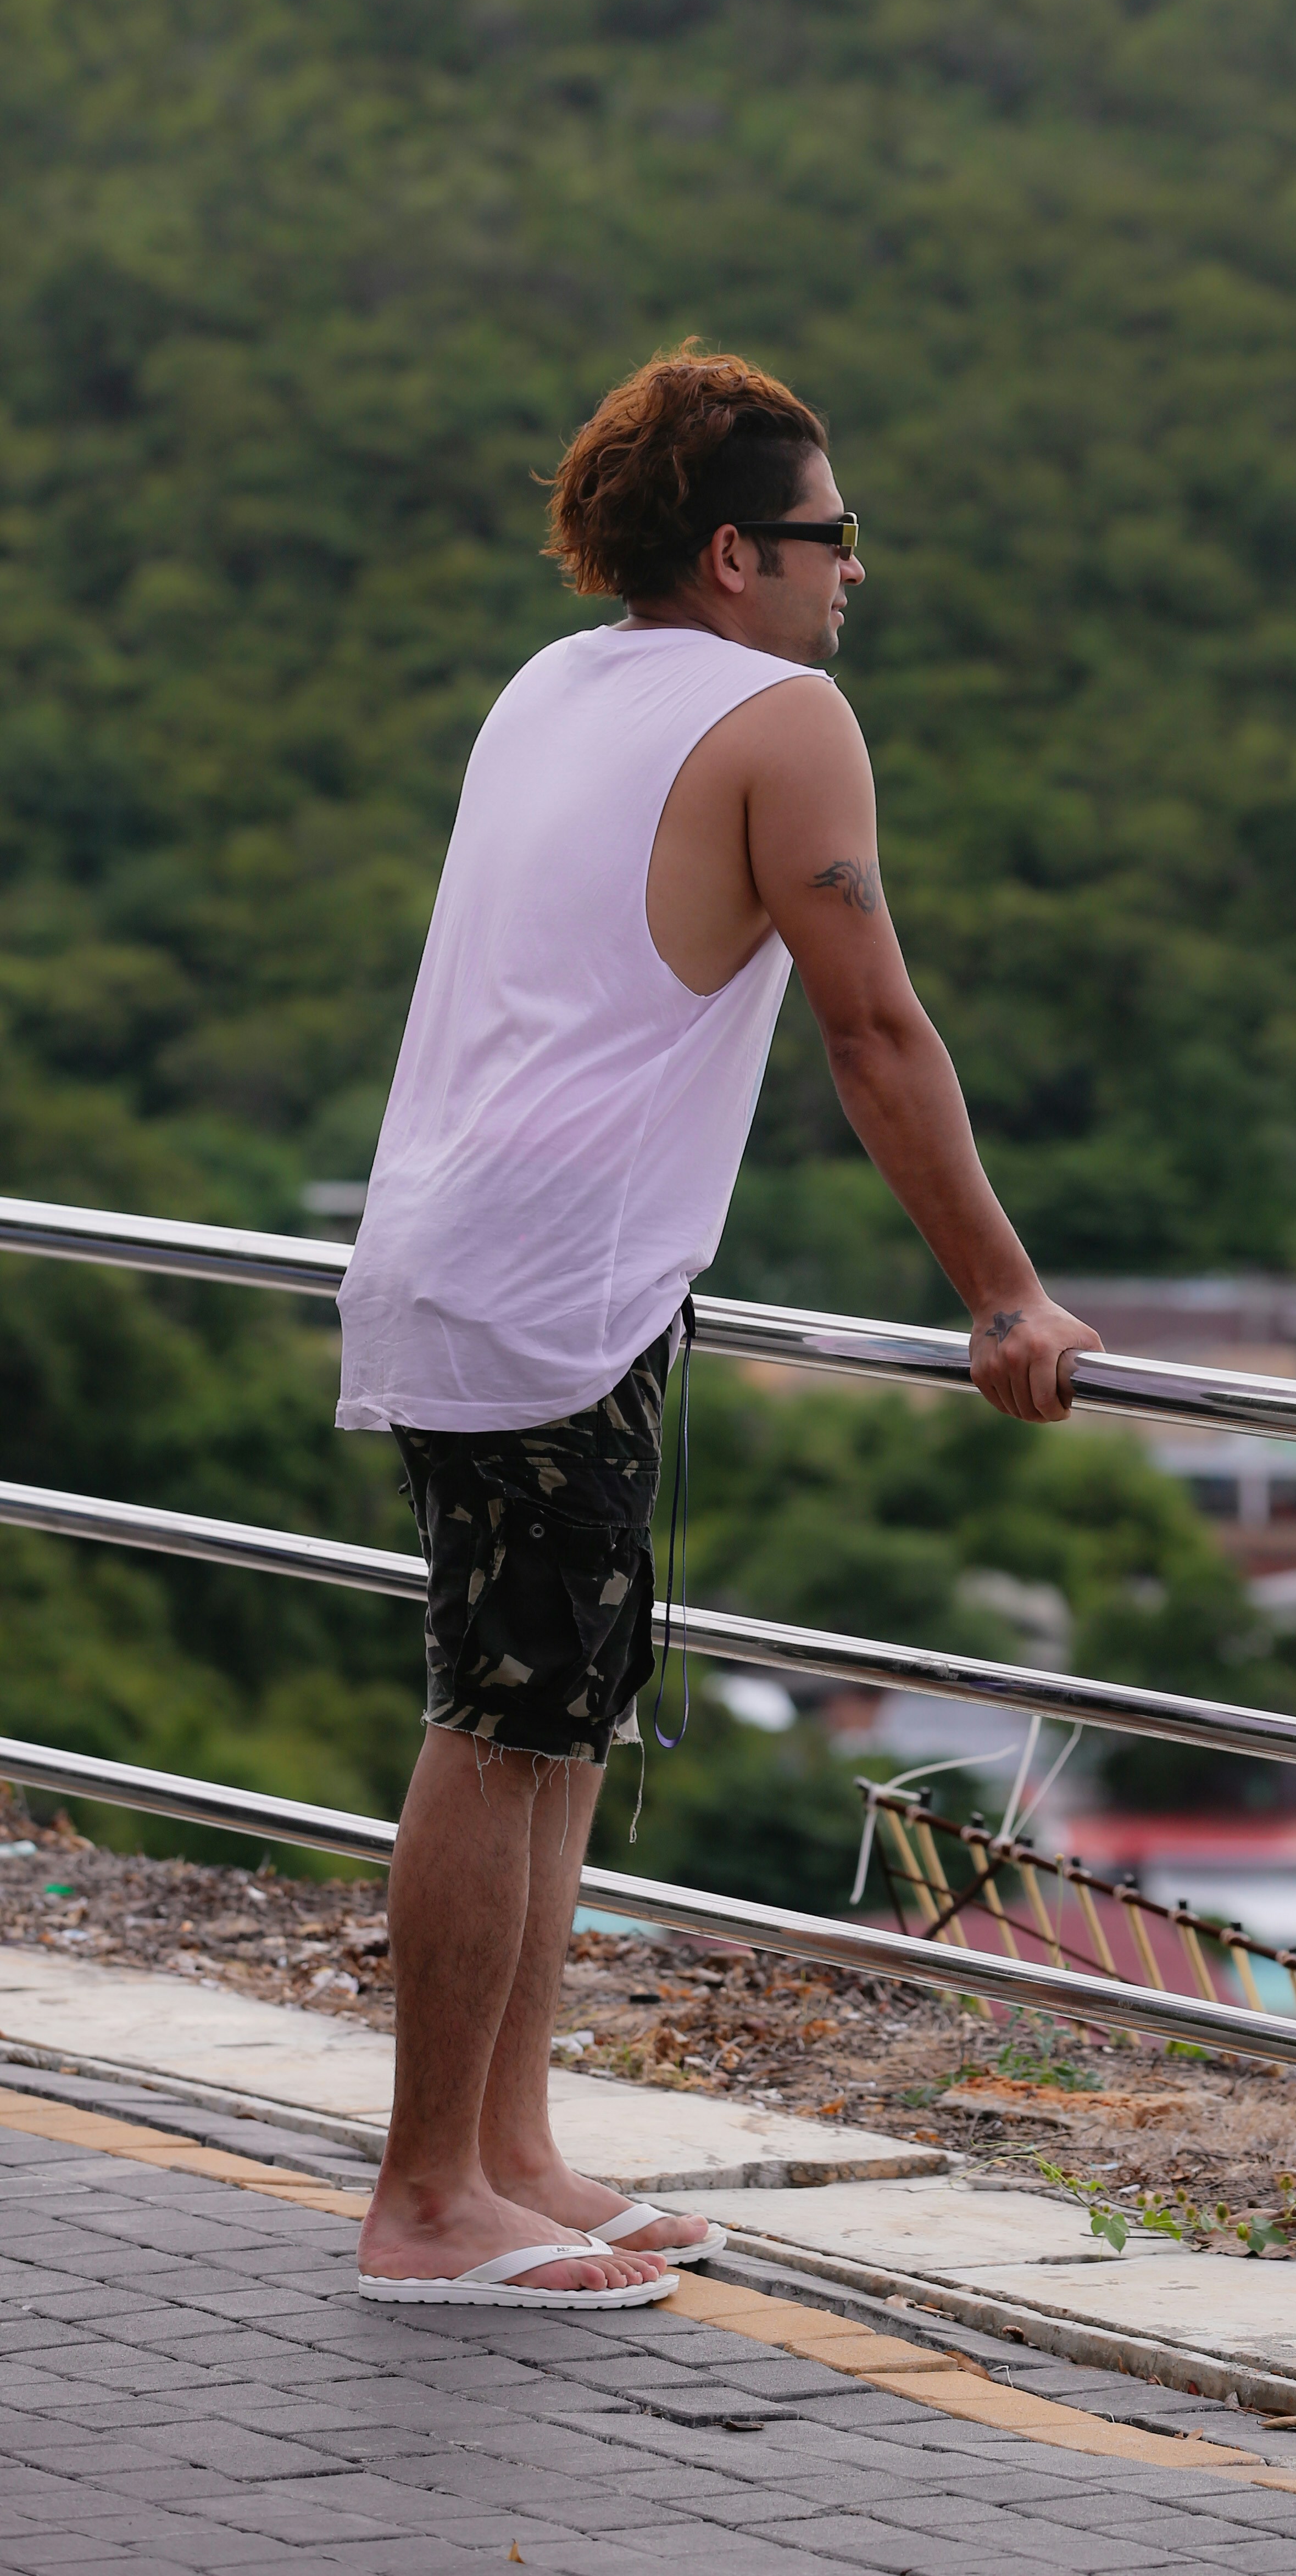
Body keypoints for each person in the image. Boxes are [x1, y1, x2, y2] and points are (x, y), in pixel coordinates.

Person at [335, 343, 1099, 2304]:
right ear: (742, 551)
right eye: (838, 537)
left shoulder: (554, 680)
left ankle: (508, 2155)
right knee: (501, 1729)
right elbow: (873, 1027)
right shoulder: (786, 715)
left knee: (557, 1723)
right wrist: (1003, 1296)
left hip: (492, 1254)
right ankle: (425, 2204)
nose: (860, 573)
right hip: (544, 1284)